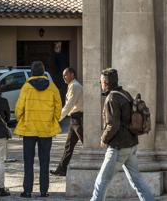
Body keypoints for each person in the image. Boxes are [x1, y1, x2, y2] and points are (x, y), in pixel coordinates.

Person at [90, 68, 155, 201]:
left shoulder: (111, 98)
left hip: (117, 147)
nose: (100, 83)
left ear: (106, 83)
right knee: (137, 181)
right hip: (130, 145)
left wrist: (103, 139)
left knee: (101, 182)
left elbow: (113, 124)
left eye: (101, 81)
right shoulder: (124, 93)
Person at [14, 61, 62, 198]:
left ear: (31, 72)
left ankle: (27, 191)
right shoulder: (52, 87)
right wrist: (54, 119)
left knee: (28, 162)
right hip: (46, 130)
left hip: (29, 129)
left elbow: (19, 109)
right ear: (43, 71)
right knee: (44, 162)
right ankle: (44, 191)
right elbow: (58, 107)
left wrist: (21, 119)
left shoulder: (26, 87)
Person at [51, 67, 84, 176]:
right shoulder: (72, 85)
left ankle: (101, 164)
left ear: (72, 75)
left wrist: (58, 118)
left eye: (66, 74)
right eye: (63, 75)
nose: (64, 77)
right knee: (69, 145)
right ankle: (62, 169)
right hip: (74, 118)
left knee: (88, 143)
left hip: (78, 118)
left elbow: (69, 104)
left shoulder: (75, 86)